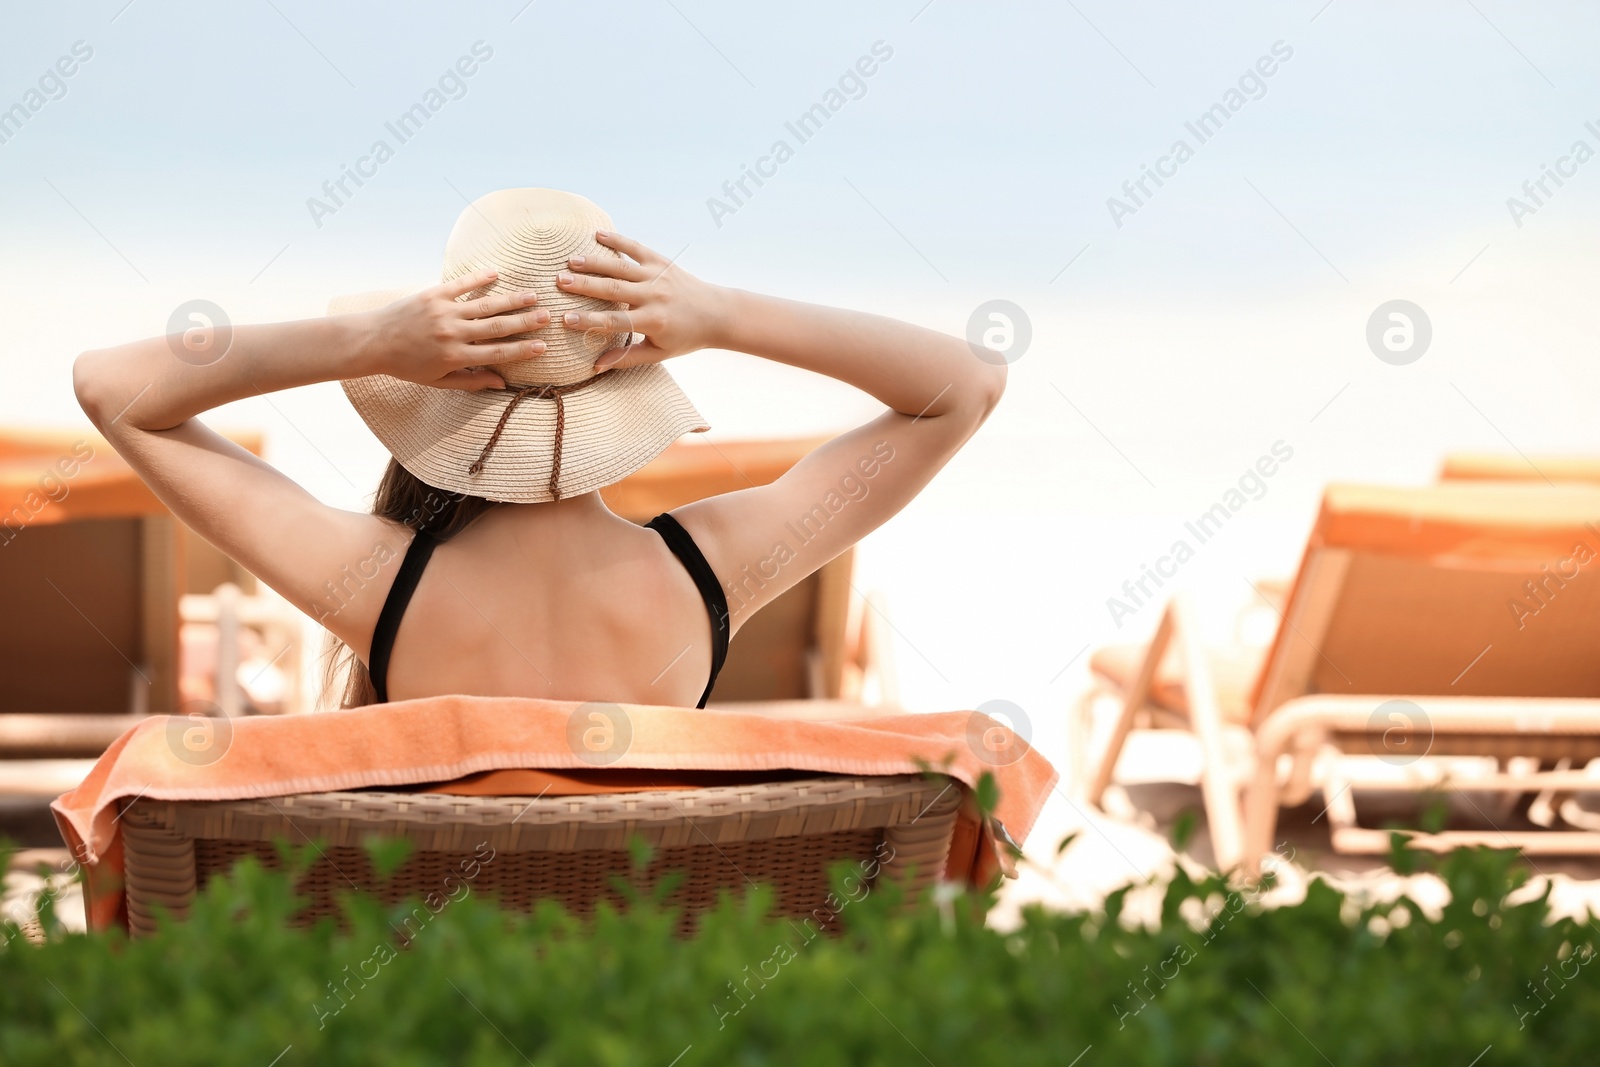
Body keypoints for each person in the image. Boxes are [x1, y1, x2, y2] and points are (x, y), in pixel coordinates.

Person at [73, 189, 1005, 712]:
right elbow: (963, 386)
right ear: (627, 372)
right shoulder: (709, 573)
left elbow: (113, 389)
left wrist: (366, 343)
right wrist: (721, 314)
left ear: (436, 378)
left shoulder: (378, 587)